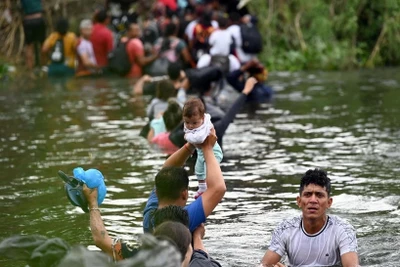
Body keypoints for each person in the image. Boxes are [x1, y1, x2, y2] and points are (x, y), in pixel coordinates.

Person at [261, 168, 360, 267]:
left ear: (329, 203)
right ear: (299, 201)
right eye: (308, 195)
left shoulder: (343, 230)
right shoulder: (285, 229)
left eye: (319, 195)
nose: (313, 200)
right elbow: (264, 265)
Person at [143, 127, 226, 233]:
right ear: (184, 194)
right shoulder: (183, 219)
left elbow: (166, 170)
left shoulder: (149, 216)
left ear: (156, 192)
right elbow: (218, 188)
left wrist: (191, 145)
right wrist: (207, 148)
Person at [183, 98, 223, 198]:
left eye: (194, 123)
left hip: (214, 152)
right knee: (198, 170)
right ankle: (202, 188)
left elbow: (199, 139)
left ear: (203, 119)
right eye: (187, 122)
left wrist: (188, 137)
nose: (191, 126)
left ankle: (210, 190)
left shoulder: (205, 126)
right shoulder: (194, 124)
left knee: (208, 172)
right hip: (201, 152)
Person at [20, 0, 46, 70]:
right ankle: (44, 66)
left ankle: (30, 68)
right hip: (38, 19)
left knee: (29, 45)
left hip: (28, 21)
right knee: (42, 44)